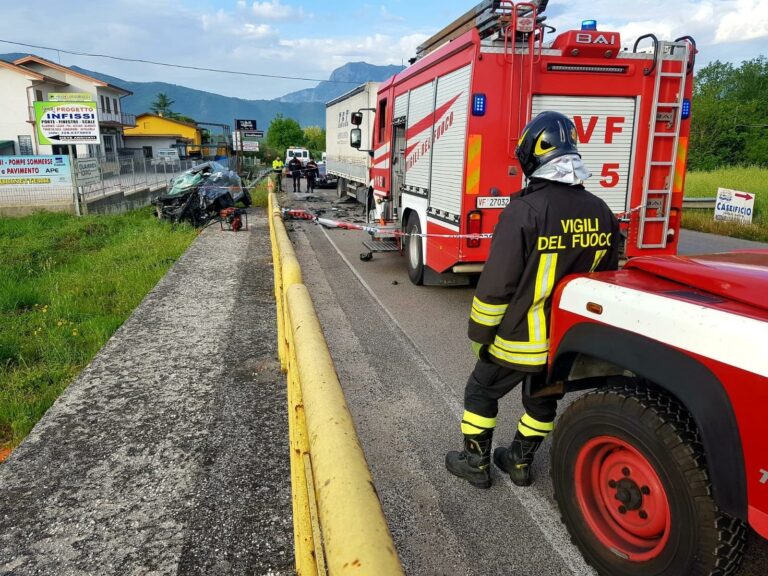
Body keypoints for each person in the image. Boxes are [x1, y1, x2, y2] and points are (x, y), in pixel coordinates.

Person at [445, 111, 621, 489]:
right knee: (541, 400)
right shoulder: (601, 211)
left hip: (520, 339)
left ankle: (475, 462)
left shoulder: (525, 210)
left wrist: (481, 332)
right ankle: (520, 462)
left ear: (532, 154)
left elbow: (497, 285)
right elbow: (606, 278)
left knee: (480, 390)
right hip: (566, 342)